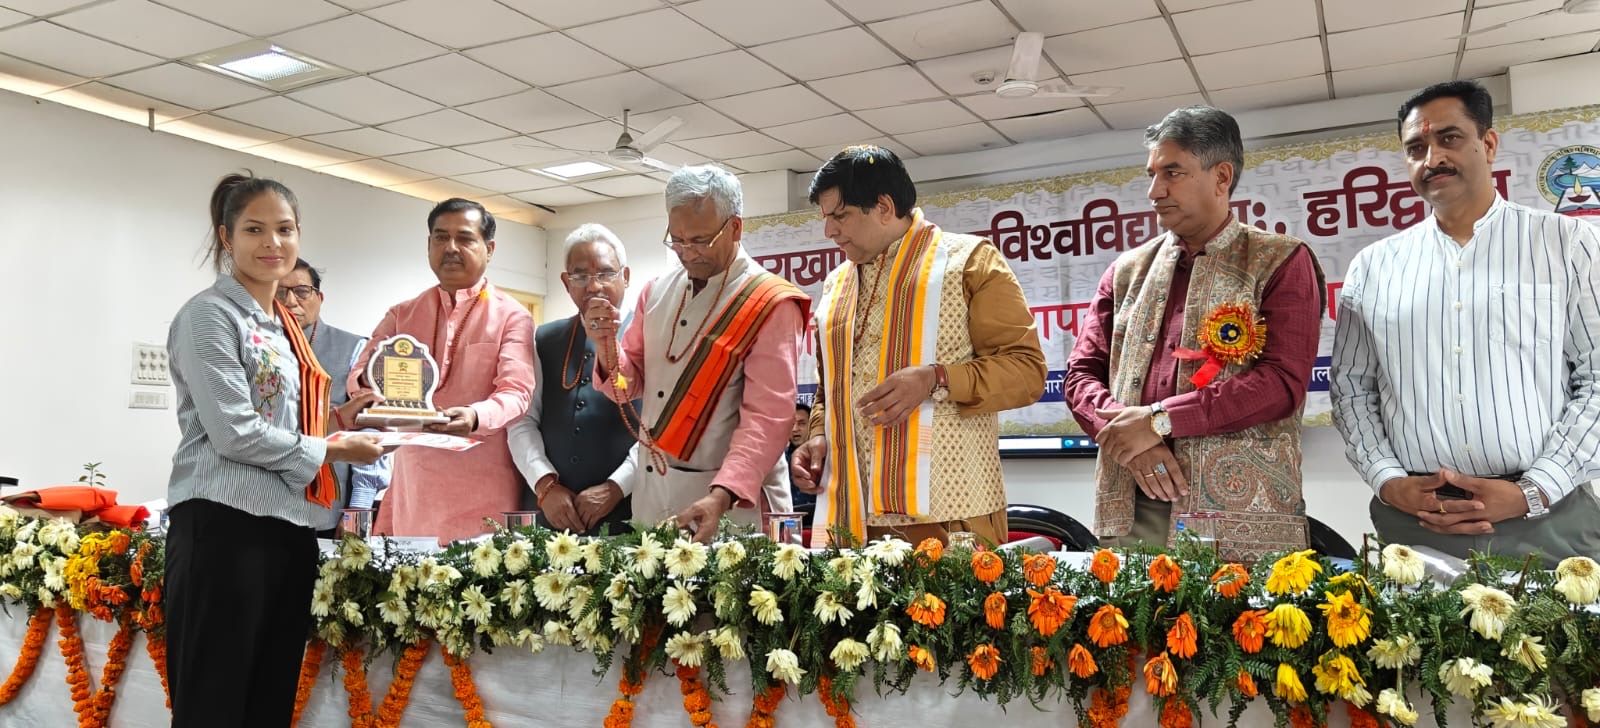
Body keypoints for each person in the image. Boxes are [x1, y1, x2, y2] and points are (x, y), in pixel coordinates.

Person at [1330, 80, 1600, 565]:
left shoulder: (1566, 243)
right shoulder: (1373, 267)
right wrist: (1387, 481)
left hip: (1548, 520)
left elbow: (1596, 377)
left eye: (1449, 138)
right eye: (1416, 148)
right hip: (1416, 526)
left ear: (1488, 144)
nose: (1432, 158)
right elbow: (1351, 388)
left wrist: (1534, 489)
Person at [164, 173, 383, 727]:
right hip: (223, 530)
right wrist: (334, 450)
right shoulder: (209, 315)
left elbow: (279, 420)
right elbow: (234, 432)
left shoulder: (283, 326)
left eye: (284, 229)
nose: (273, 243)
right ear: (226, 237)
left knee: (269, 703)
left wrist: (337, 421)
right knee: (214, 704)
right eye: (254, 229)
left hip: (287, 528)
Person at [1063, 106, 1324, 562]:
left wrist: (1160, 420)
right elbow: (1081, 375)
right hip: (1133, 502)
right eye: (1152, 175)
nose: (1154, 191)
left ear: (1221, 177)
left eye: (1173, 173)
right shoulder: (1126, 271)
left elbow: (1281, 383)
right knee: (1131, 610)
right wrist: (1129, 435)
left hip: (1239, 518)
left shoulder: (1278, 260)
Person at [792, 145, 1046, 547]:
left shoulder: (969, 262)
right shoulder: (836, 283)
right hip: (851, 520)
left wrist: (936, 378)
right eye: (825, 219)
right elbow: (830, 387)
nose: (830, 232)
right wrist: (819, 435)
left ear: (884, 206)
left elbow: (1026, 372)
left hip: (949, 515)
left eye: (840, 216)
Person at [587, 165, 808, 543]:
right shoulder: (656, 291)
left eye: (701, 240)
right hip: (654, 495)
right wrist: (606, 346)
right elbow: (629, 384)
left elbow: (768, 419)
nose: (687, 252)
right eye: (677, 240)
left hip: (730, 504)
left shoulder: (770, 302)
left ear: (735, 228)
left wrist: (720, 497)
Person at [348, 198, 536, 544]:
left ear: (489, 248)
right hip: (415, 489)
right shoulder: (402, 314)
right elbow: (359, 375)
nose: (450, 248)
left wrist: (475, 416)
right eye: (440, 237)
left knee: (477, 576)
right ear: (429, 244)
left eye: (464, 238)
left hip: (483, 488)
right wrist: (374, 392)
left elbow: (517, 392)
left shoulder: (512, 316)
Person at [509, 224, 637, 535]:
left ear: (625, 276)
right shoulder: (544, 338)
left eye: (605, 273)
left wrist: (617, 486)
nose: (593, 286)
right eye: (580, 276)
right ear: (566, 283)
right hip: (549, 513)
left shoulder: (647, 336)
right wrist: (545, 484)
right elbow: (522, 421)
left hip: (628, 511)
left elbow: (663, 431)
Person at [278, 258, 390, 534]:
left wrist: (358, 509)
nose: (290, 301)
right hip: (266, 503)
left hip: (331, 509)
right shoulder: (255, 347)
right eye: (280, 292)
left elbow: (369, 428)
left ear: (319, 297)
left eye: (301, 291)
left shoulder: (354, 349)